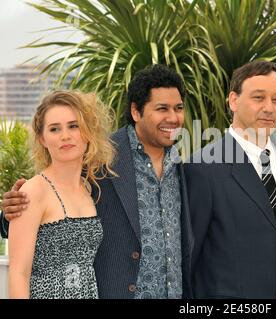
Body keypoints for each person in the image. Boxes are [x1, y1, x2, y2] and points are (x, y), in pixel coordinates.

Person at [1, 64, 194, 299]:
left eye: (178, 108)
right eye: (162, 108)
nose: (172, 118)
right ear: (136, 112)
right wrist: (10, 211)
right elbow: (51, 190)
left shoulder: (182, 165)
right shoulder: (102, 159)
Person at [184, 61, 276, 298]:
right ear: (233, 100)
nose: (269, 108)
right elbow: (189, 259)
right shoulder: (203, 167)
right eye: (258, 98)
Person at [8, 90, 115, 298]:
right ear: (42, 139)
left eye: (73, 126)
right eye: (54, 129)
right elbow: (18, 274)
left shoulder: (90, 188)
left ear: (88, 132)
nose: (65, 136)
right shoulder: (34, 191)